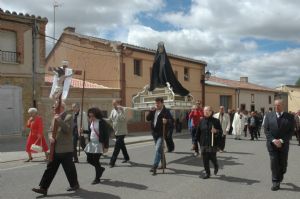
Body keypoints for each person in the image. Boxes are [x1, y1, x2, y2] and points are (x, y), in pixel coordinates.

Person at [32, 103, 79, 196]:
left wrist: (60, 120)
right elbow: (50, 130)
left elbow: (68, 130)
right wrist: (50, 137)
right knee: (50, 168)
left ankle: (74, 184)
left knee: (69, 169)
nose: (53, 109)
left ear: (61, 108)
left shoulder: (69, 116)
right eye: (52, 107)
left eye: (54, 107)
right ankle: (43, 188)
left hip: (65, 149)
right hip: (55, 148)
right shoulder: (55, 117)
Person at [264, 99, 294, 191]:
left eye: (279, 105)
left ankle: (282, 172)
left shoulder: (290, 117)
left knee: (283, 163)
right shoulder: (268, 116)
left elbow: (291, 132)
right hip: (272, 145)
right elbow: (266, 130)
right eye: (275, 105)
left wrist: (281, 140)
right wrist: (273, 140)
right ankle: (275, 182)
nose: (276, 107)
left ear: (283, 105)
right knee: (274, 162)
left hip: (284, 145)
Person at [146, 97, 172, 175]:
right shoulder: (153, 110)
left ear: (162, 103)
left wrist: (167, 121)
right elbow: (148, 119)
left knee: (157, 149)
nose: (157, 104)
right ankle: (163, 164)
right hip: (154, 133)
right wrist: (150, 111)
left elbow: (172, 121)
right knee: (160, 150)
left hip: (162, 133)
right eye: (156, 103)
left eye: (158, 103)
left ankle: (154, 166)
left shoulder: (166, 111)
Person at [84, 107, 109, 184]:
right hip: (92, 143)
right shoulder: (91, 122)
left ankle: (97, 178)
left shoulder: (102, 122)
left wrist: (106, 146)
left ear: (96, 115)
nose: (91, 117)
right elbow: (91, 132)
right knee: (89, 160)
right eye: (90, 116)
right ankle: (100, 169)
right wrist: (84, 131)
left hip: (99, 144)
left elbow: (106, 135)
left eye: (92, 116)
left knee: (96, 161)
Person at [196, 106, 222, 179]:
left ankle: (216, 165)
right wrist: (195, 142)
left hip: (213, 143)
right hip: (203, 143)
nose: (206, 112)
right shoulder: (201, 121)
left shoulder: (216, 121)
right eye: (205, 111)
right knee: (205, 159)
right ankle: (208, 173)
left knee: (212, 157)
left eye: (208, 111)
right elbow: (198, 132)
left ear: (211, 112)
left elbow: (221, 132)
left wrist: (216, 131)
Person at [108, 100, 130, 168]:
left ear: (118, 104)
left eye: (115, 104)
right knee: (122, 145)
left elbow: (124, 119)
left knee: (117, 147)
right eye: (113, 104)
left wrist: (121, 111)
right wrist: (101, 119)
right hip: (116, 131)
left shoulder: (123, 110)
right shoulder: (113, 111)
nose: (114, 106)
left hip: (122, 132)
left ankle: (112, 162)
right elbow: (110, 120)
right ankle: (126, 158)